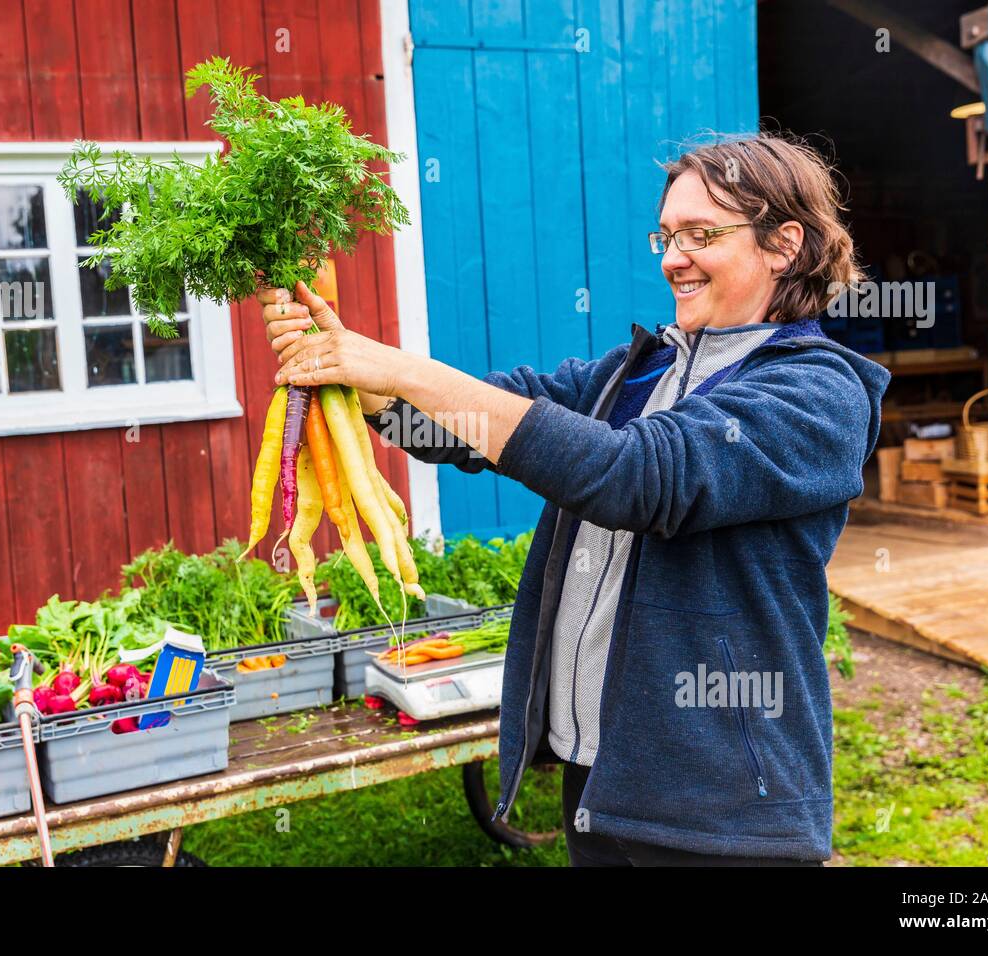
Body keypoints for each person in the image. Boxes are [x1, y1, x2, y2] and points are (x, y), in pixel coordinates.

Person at [258, 133, 888, 866]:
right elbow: (482, 422)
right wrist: (372, 392)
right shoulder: (636, 375)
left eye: (700, 235)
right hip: (604, 782)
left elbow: (636, 479)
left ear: (784, 244)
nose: (671, 257)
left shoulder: (817, 394)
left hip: (723, 804)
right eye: (666, 235)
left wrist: (401, 368)